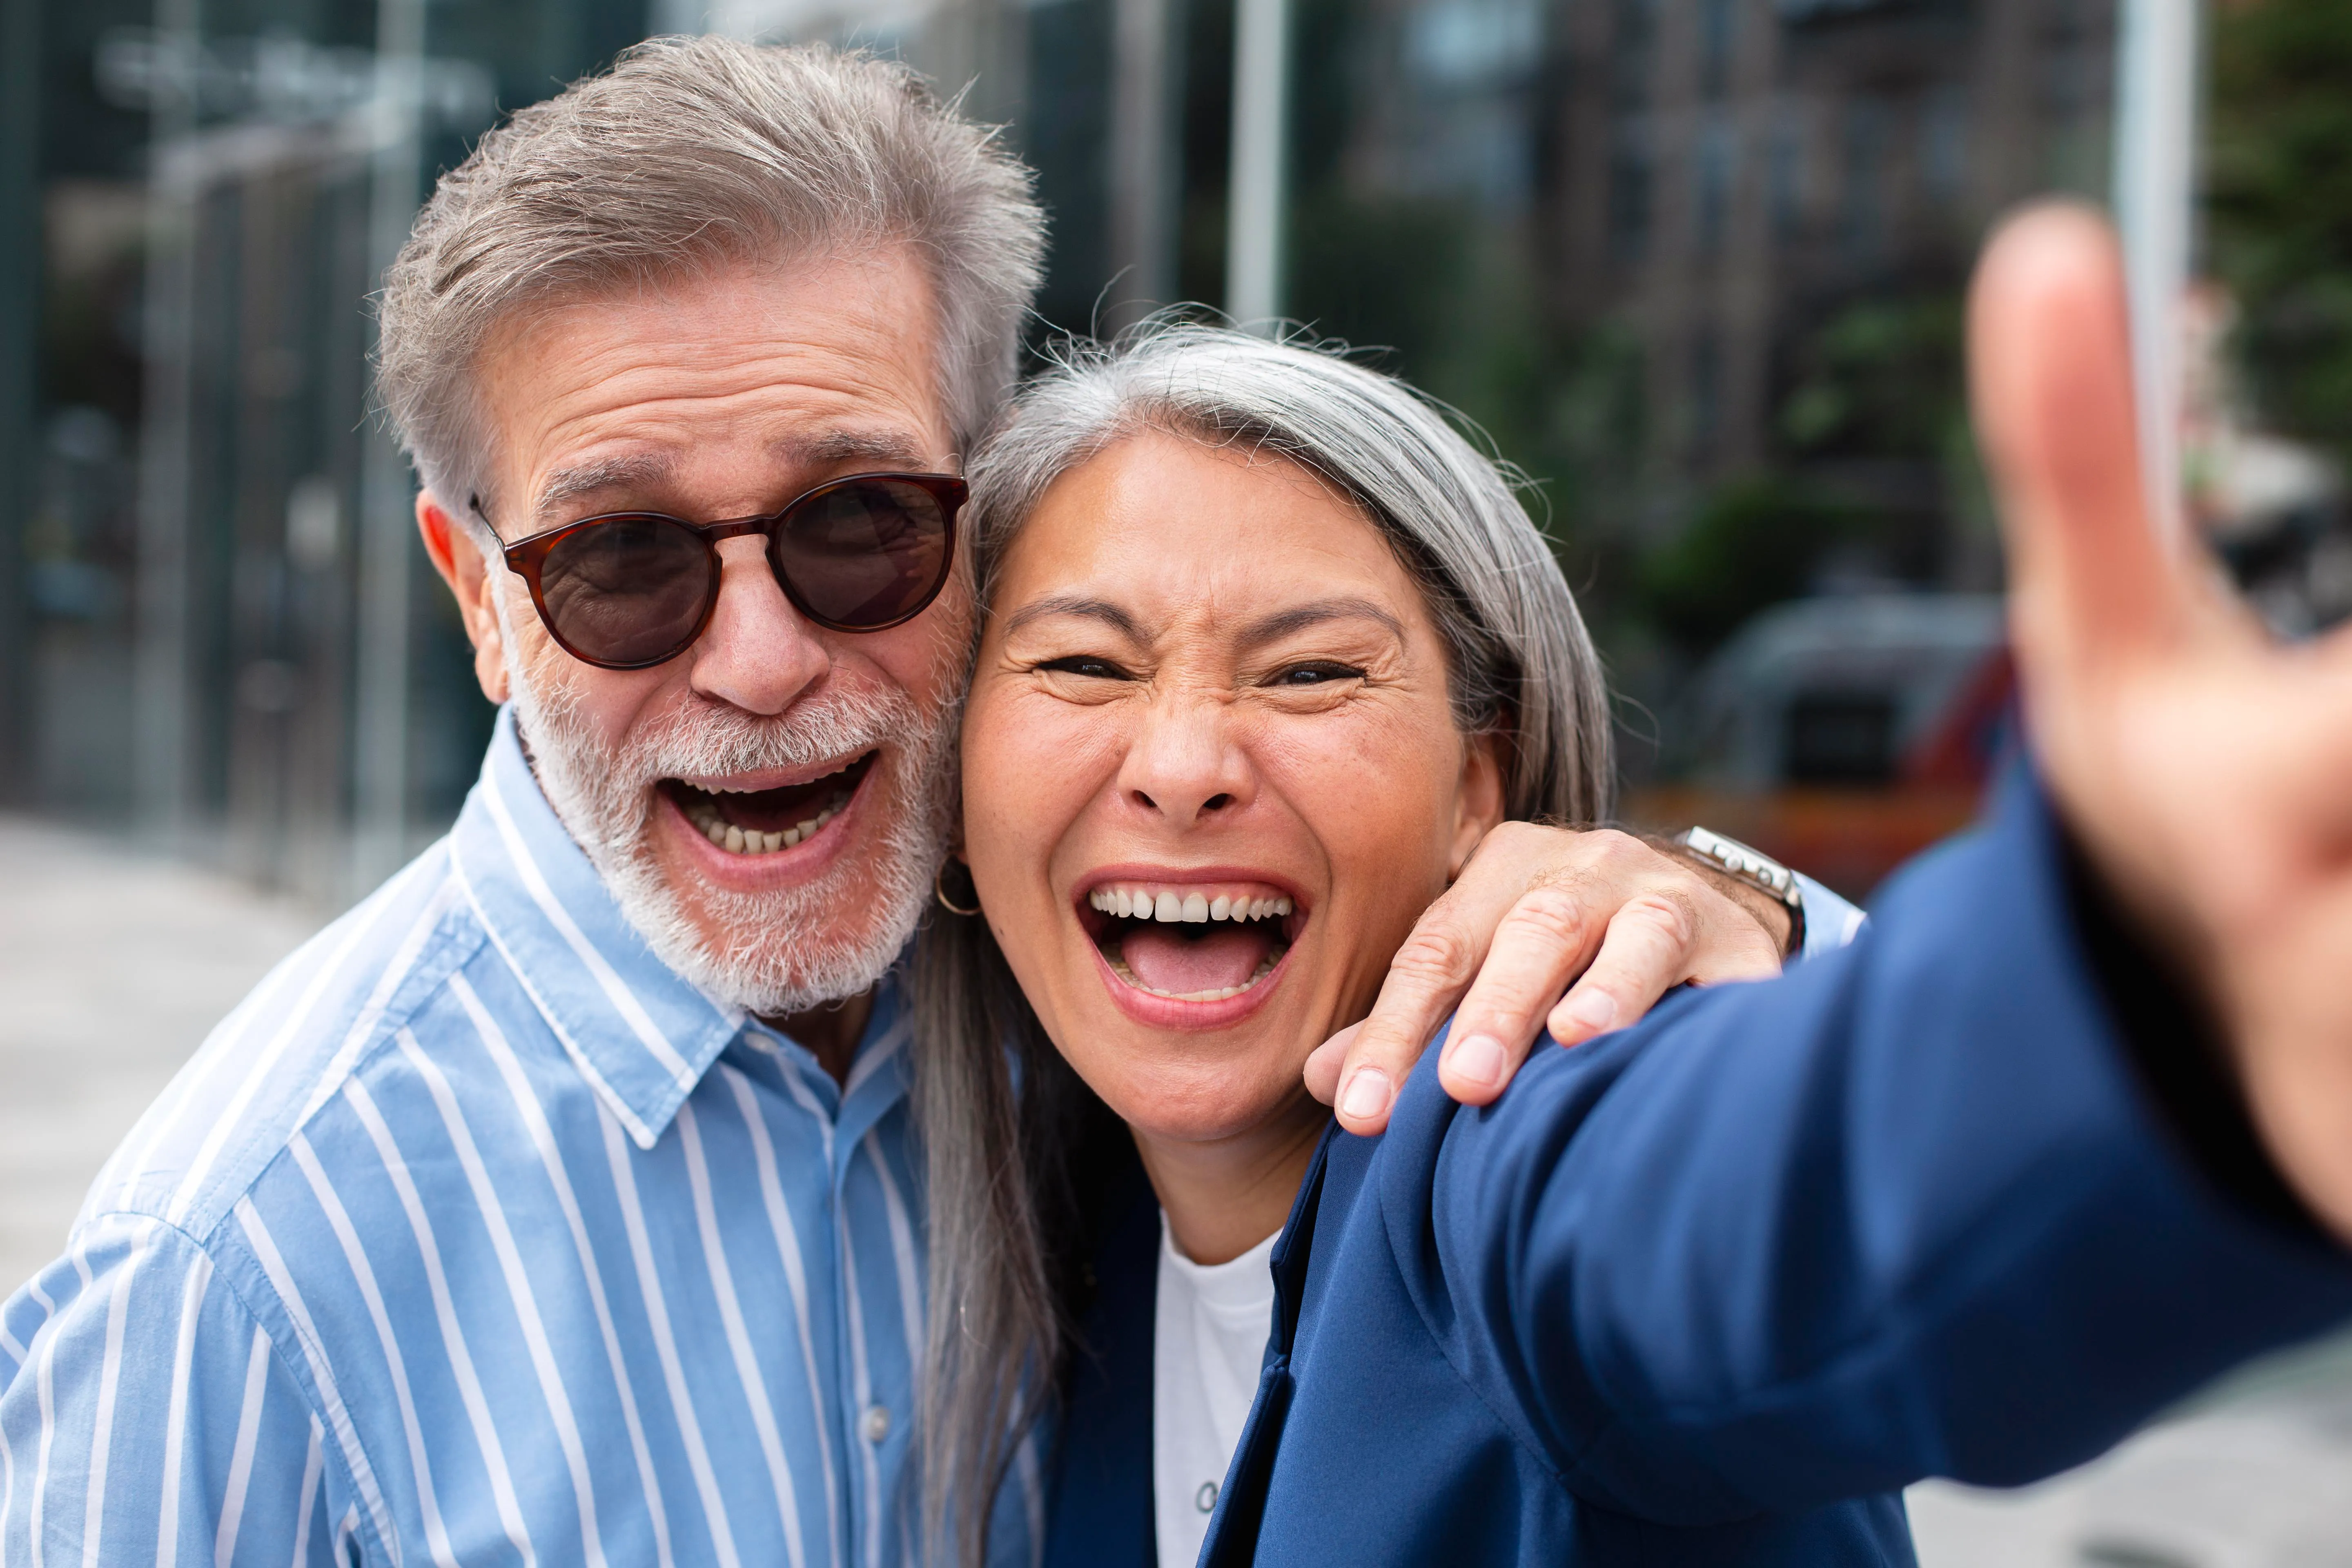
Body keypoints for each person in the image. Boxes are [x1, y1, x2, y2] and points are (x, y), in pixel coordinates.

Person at [0, 38, 1824, 1565]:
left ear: (980, 527)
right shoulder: (226, 1278)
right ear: (479, 600)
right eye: (625, 560)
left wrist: (1752, 924)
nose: (763, 661)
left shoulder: (1094, 1000)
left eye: (857, 524)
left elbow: (1837, 1253)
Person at [920, 208, 2352, 1568]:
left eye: (1310, 673)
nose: (1184, 764)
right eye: (1084, 666)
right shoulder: (1052, 1233)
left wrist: (2150, 993)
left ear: (1481, 785)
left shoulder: (1505, 1151)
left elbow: (1782, 1205)